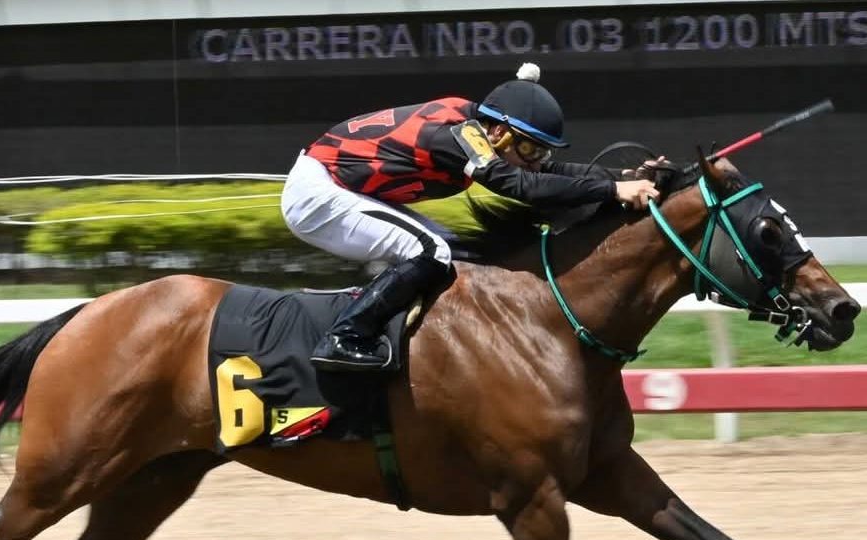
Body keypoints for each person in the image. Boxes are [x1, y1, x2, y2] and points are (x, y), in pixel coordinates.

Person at [282, 63, 663, 371]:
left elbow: (545, 173)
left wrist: (623, 177)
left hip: (347, 189)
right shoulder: (454, 136)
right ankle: (345, 336)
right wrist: (612, 191)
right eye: (530, 149)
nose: (536, 161)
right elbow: (522, 186)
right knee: (431, 252)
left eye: (541, 152)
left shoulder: (476, 127)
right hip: (319, 194)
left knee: (458, 255)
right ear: (498, 132)